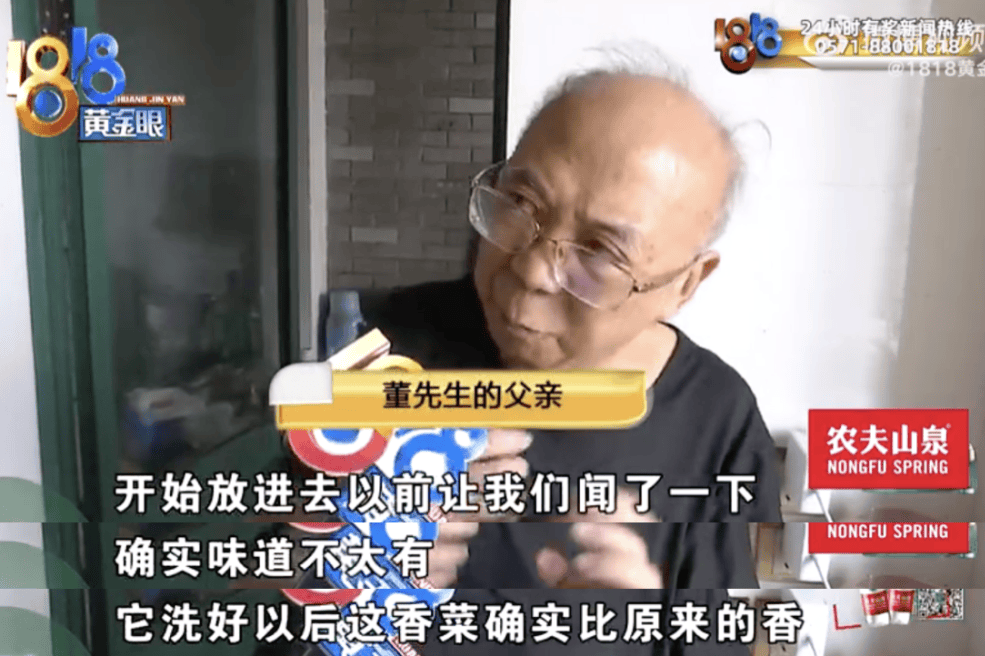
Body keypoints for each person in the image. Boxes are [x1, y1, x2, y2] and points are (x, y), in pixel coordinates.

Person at [366, 45, 783, 655]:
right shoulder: (382, 348)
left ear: (685, 285)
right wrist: (361, 574)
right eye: (521, 205)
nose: (531, 271)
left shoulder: (717, 419)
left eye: (601, 253)